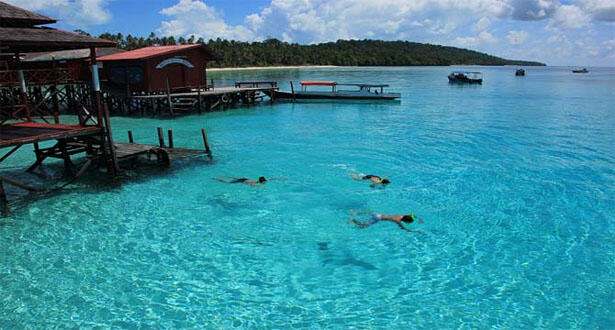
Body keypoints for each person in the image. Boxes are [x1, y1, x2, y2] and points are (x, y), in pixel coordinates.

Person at [347, 210, 424, 233]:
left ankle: (355, 212)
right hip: (378, 218)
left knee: (368, 212)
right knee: (363, 226)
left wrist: (418, 218)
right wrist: (416, 231)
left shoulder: (402, 215)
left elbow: (412, 214)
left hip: (378, 214)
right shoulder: (398, 220)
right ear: (406, 220)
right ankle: (352, 219)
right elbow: (403, 228)